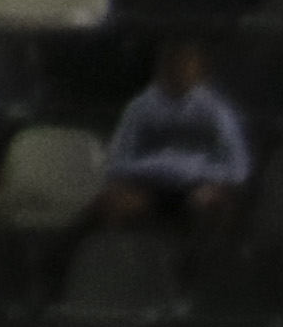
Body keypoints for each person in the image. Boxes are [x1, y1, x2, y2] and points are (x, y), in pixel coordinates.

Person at [94, 35, 251, 230]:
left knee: (211, 202)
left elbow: (238, 167)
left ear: (200, 70)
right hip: (148, 186)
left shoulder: (217, 111)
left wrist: (200, 173)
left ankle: (202, 255)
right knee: (112, 201)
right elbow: (117, 161)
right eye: (173, 63)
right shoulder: (140, 108)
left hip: (199, 185)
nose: (180, 70)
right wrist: (152, 168)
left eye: (187, 64)